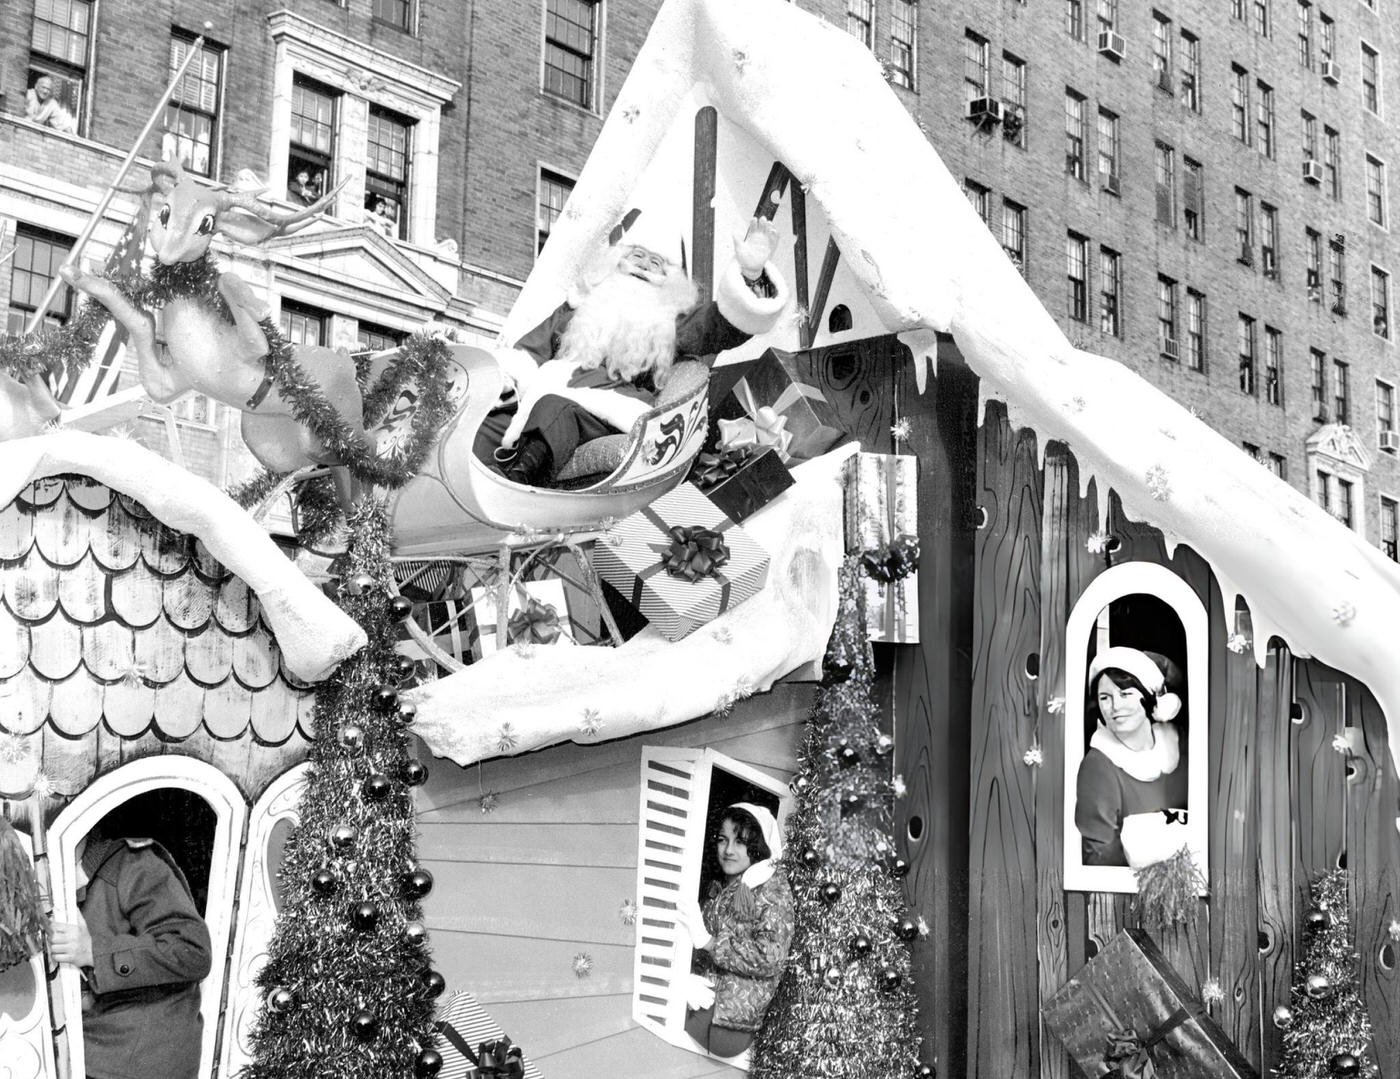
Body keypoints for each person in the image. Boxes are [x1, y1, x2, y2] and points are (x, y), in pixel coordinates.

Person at [482, 214, 788, 487]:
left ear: (669, 280)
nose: (643, 266)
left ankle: (515, 486)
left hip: (608, 412)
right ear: (617, 259)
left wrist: (750, 276)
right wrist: (503, 383)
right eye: (638, 255)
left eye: (655, 263)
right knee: (488, 420)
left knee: (554, 408)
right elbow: (528, 354)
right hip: (539, 398)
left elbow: (718, 327)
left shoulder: (669, 322)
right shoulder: (579, 306)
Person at [48, 823, 213, 1079]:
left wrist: (92, 952)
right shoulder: (35, 883)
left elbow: (192, 951)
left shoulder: (135, 864)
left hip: (139, 1057)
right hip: (82, 1047)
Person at [675, 803, 794, 1059]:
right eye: (723, 839)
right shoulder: (722, 886)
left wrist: (710, 943)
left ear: (757, 847)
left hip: (727, 1025)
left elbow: (770, 956)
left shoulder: (771, 888)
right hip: (704, 1003)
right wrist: (682, 976)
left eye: (740, 842)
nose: (728, 850)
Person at [1074, 646, 1190, 868]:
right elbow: (1101, 858)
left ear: (1148, 696)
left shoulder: (1180, 743)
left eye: (1125, 694)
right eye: (1105, 697)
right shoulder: (1098, 766)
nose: (1115, 707)